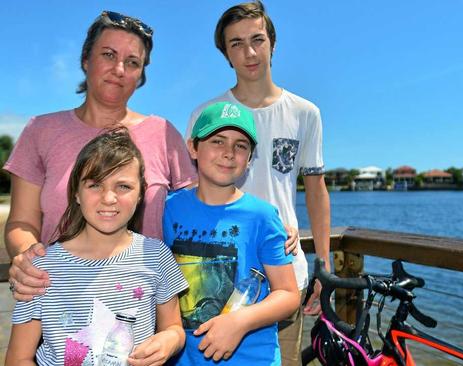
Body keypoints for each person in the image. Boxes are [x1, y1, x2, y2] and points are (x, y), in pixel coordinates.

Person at [4, 10, 196, 301]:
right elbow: (21, 223)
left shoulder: (164, 134)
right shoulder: (40, 131)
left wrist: (270, 223)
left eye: (132, 62)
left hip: (145, 310)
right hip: (59, 305)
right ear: (85, 60)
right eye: (108, 55)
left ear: (140, 75)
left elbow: (203, 212)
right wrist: (26, 259)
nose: (119, 69)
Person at [185, 2, 331, 363]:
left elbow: (315, 189)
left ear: (273, 44)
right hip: (216, 273)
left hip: (285, 271)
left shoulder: (305, 113)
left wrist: (323, 266)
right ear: (226, 55)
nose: (249, 52)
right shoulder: (206, 115)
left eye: (257, 39)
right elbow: (193, 194)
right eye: (236, 43)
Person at [6, 128, 189, 365]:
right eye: (95, 185)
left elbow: (174, 328)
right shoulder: (40, 268)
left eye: (123, 186)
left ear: (141, 193)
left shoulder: (156, 255)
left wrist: (169, 341)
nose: (109, 198)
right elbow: (18, 358)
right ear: (77, 193)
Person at [164, 101, 300, 364]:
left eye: (241, 146)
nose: (229, 152)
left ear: (249, 158)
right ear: (193, 147)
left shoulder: (262, 216)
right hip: (185, 358)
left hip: (252, 358)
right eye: (217, 141)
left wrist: (240, 322)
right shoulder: (168, 209)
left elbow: (288, 294)